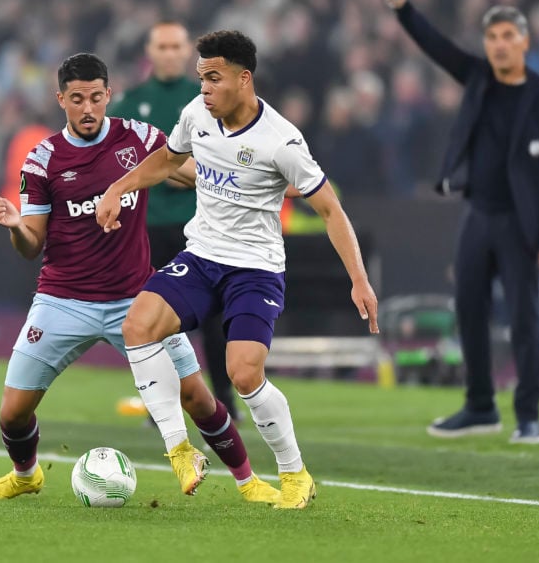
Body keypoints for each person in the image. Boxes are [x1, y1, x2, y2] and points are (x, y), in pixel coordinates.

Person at [0, 53, 279, 504]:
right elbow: (32, 245)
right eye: (77, 99)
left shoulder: (137, 138)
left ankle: (249, 482)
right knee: (13, 413)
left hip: (136, 300)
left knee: (198, 398)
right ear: (61, 100)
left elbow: (192, 173)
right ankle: (26, 474)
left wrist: (243, 181)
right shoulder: (43, 160)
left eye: (96, 98)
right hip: (63, 300)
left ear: (108, 95)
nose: (87, 109)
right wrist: (18, 226)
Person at [97, 31, 379, 509]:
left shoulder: (282, 140)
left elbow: (331, 210)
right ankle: (180, 449)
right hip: (202, 258)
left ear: (243, 79)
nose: (203, 88)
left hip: (255, 270)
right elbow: (167, 159)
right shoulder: (195, 116)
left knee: (244, 375)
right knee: (137, 326)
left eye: (213, 78)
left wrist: (360, 280)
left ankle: (294, 474)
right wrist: (115, 190)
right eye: (200, 77)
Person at [367, 0, 539, 444]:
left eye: (509, 36)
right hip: (478, 213)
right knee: (468, 309)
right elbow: (435, 45)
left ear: (526, 42)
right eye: (493, 37)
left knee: (524, 318)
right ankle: (480, 405)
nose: (500, 44)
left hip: (523, 223)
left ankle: (529, 415)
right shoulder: (480, 78)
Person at [110, 21, 240, 420]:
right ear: (150, 52)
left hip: (204, 225)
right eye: (161, 46)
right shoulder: (131, 102)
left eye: (175, 46)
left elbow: (234, 152)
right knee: (159, 322)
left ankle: (224, 400)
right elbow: (116, 156)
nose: (168, 53)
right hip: (149, 227)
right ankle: (162, 404)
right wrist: (179, 170)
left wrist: (172, 168)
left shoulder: (208, 97)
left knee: (216, 318)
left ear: (188, 53)